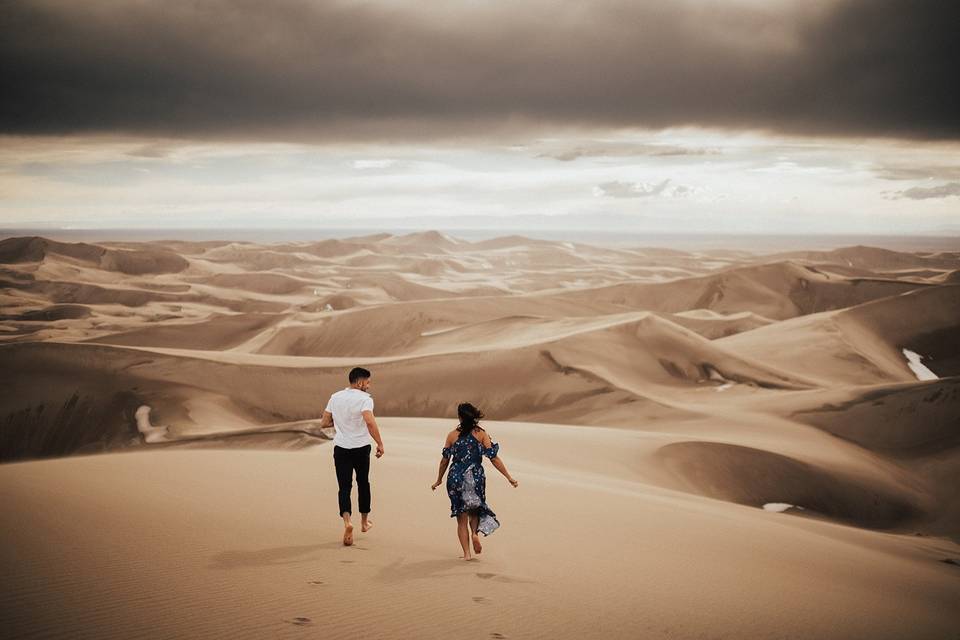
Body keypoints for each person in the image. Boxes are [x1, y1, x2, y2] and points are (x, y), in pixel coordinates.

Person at [431, 403, 518, 560]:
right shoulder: (481, 434)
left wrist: (438, 480)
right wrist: (509, 477)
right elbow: (494, 458)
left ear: (460, 417)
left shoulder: (452, 435)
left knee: (461, 517)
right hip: (475, 476)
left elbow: (444, 461)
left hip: (455, 477)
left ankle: (466, 554)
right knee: (474, 511)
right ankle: (475, 533)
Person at [320, 367, 385, 546]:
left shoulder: (335, 397)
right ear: (359, 382)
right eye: (368, 382)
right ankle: (364, 522)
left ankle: (348, 522)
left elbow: (324, 422)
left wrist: (341, 421)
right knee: (363, 483)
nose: (369, 386)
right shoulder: (365, 400)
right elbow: (370, 422)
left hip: (341, 448)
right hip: (361, 447)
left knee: (344, 487)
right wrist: (379, 443)